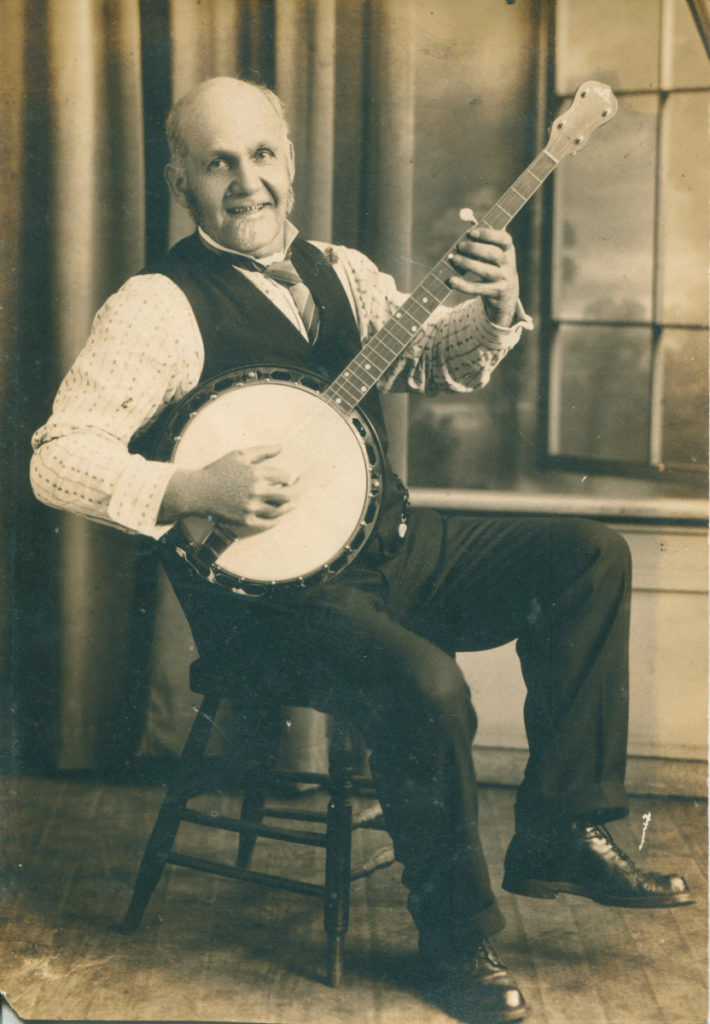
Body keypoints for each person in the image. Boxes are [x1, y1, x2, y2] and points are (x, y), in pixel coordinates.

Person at [30, 77, 692, 1024]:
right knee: (426, 684)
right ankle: (456, 943)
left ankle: (562, 829)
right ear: (181, 181)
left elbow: (432, 360)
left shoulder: (344, 271)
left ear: (291, 162)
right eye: (218, 162)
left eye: (262, 155)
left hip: (393, 551)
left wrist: (495, 302)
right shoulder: (156, 307)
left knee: (587, 555)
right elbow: (57, 459)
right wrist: (193, 488)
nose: (246, 181)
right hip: (271, 610)